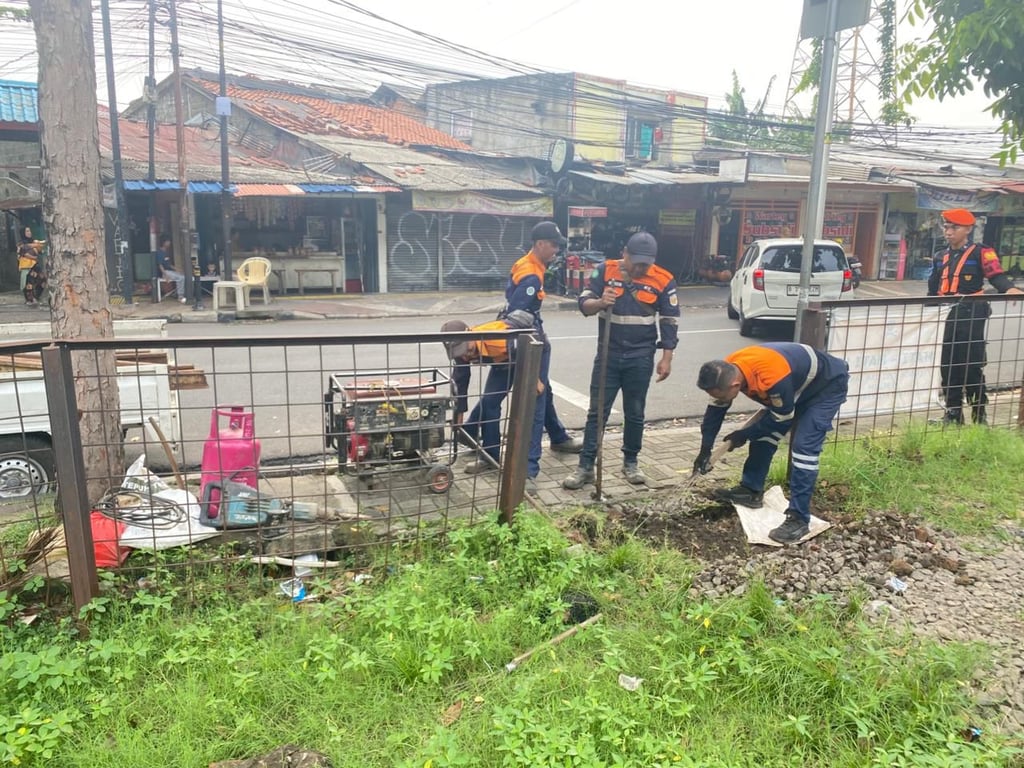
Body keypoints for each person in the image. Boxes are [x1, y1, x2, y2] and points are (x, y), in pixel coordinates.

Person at [692, 343, 850, 544]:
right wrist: (705, 450)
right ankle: (750, 491)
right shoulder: (727, 369)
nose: (719, 400)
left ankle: (799, 518)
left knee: (804, 450)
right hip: (795, 387)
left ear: (734, 386)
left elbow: (782, 417)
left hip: (825, 386)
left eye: (721, 396)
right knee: (763, 437)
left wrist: (743, 434)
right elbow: (715, 412)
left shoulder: (772, 377)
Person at [462, 222, 582, 482]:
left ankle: (554, 439)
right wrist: (529, 367)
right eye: (554, 245)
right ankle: (528, 467)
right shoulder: (531, 274)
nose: (556, 250)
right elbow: (518, 321)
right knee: (534, 402)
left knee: (528, 395)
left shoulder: (525, 264)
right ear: (540, 244)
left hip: (509, 344)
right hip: (521, 346)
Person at [563, 231, 679, 490]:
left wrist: (666, 358)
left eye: (645, 264)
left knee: (635, 412)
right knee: (597, 412)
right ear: (624, 253)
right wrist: (601, 302)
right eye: (635, 262)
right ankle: (585, 467)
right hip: (608, 354)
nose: (639, 268)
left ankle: (631, 462)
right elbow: (583, 304)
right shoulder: (604, 270)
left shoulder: (663, 279)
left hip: (641, 356)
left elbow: (670, 320)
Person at [927, 208, 1022, 425]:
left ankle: (980, 417)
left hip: (971, 313)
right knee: (948, 365)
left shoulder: (981, 252)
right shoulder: (941, 256)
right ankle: (953, 415)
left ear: (968, 229)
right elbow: (933, 289)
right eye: (947, 227)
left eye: (954, 227)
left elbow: (996, 275)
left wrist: (1009, 289)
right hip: (945, 314)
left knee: (971, 365)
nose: (949, 232)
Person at [441, 311, 545, 491]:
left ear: (471, 335)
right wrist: (458, 417)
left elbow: (527, 351)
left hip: (532, 350)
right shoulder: (460, 350)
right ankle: (491, 456)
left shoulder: (499, 339)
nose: (466, 357)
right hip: (503, 360)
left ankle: (529, 471)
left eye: (468, 351)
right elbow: (460, 383)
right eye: (460, 354)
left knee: (535, 402)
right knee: (489, 403)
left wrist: (534, 378)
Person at [155, 236, 187, 303]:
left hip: (169, 271)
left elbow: (169, 264)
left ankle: (176, 293)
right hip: (165, 272)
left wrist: (177, 269)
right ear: (164, 242)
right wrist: (165, 274)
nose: (169, 243)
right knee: (181, 278)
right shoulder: (159, 252)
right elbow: (160, 265)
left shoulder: (166, 252)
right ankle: (180, 296)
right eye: (168, 242)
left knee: (183, 275)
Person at [18, 242, 45, 307]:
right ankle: (30, 299)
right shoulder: (22, 244)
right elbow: (22, 251)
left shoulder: (35, 243)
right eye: (27, 231)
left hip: (35, 265)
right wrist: (33, 247)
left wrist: (36, 246)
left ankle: (36, 297)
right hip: (26, 266)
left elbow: (41, 250)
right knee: (28, 283)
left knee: (42, 279)